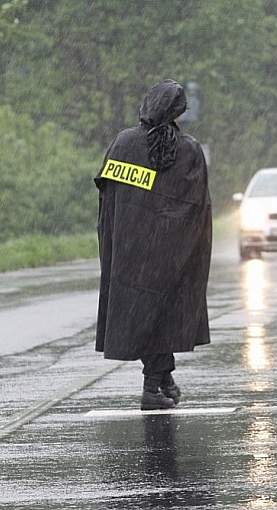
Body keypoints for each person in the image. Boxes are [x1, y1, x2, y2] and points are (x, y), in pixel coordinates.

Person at [94, 79, 212, 410]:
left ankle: (162, 380)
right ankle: (152, 387)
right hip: (173, 250)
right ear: (178, 112)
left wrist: (114, 240)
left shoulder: (123, 144)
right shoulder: (189, 150)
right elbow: (198, 205)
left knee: (144, 314)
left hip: (131, 250)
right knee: (165, 315)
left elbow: (108, 198)